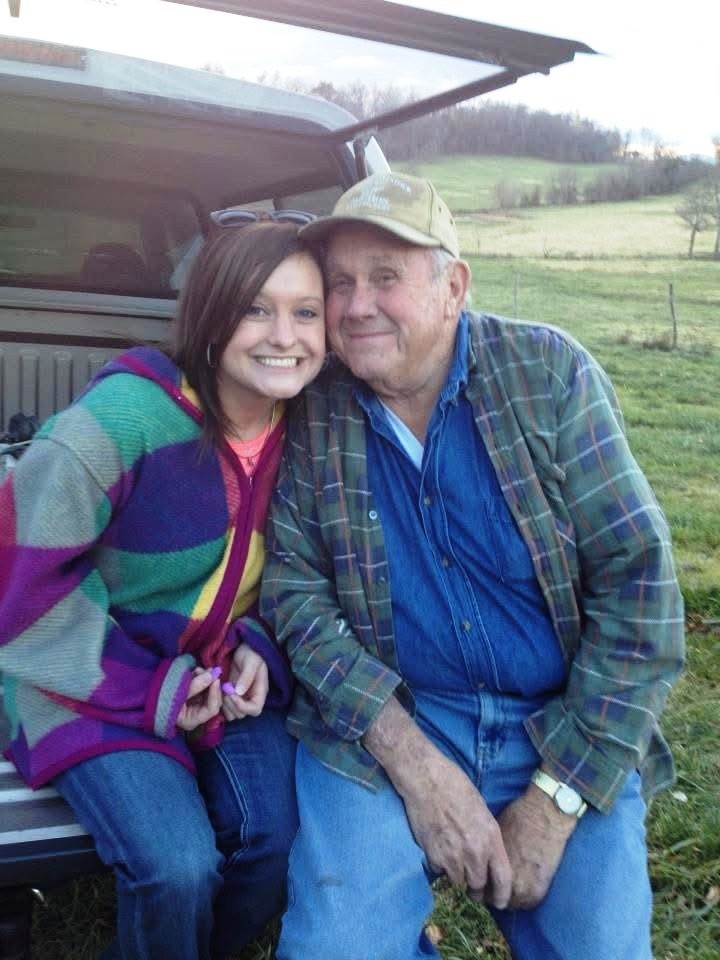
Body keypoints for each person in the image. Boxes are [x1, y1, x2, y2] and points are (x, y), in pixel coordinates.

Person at [259, 173, 685, 960]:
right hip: (388, 726)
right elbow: (294, 592)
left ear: (453, 287)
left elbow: (640, 591)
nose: (356, 306)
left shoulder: (545, 375)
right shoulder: (315, 403)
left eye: (385, 277)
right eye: (341, 282)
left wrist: (556, 799)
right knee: (336, 948)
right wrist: (412, 761)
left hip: (559, 722)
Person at [0, 217, 326, 960]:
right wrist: (157, 690)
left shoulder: (309, 431)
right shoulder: (123, 421)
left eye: (306, 311)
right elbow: (16, 582)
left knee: (273, 843)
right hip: (84, 679)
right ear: (211, 315)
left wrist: (260, 644)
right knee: (177, 870)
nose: (285, 335)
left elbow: (301, 571)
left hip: (217, 676)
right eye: (256, 308)